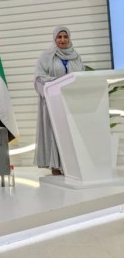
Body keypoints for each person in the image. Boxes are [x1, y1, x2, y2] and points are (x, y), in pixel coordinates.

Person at [34, 26, 84, 175]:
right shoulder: (46, 56)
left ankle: (72, 165)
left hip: (71, 102)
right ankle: (55, 165)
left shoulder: (76, 56)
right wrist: (59, 81)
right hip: (53, 103)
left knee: (71, 132)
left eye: (65, 37)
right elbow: (39, 78)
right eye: (59, 37)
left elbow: (81, 76)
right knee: (55, 132)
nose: (62, 40)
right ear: (55, 39)